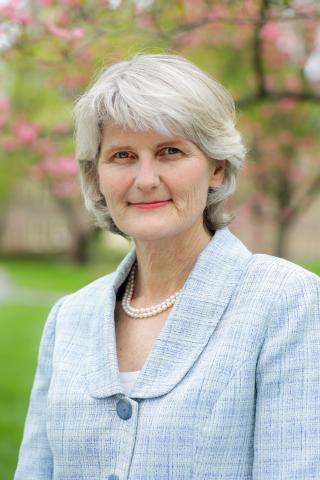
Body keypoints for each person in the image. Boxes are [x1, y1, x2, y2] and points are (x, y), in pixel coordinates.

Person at [15, 53, 320, 480]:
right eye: (122, 156)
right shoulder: (69, 318)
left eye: (170, 151)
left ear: (216, 167)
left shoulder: (287, 302)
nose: (145, 179)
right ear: (96, 175)